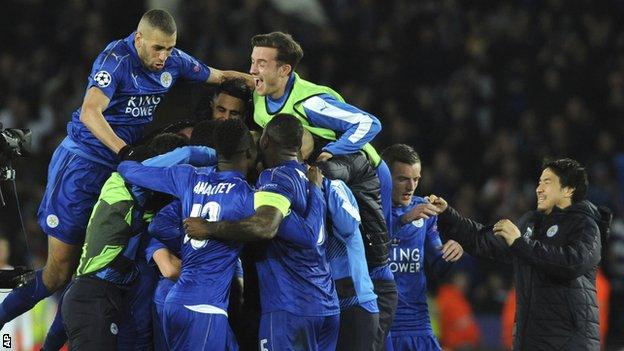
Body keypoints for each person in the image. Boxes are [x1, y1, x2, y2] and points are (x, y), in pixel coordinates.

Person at [0, 8, 251, 329]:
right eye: (158, 48)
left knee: (99, 269)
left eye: (170, 48)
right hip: (82, 166)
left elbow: (220, 76)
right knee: (58, 273)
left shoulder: (174, 62)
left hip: (121, 170)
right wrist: (125, 150)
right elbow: (91, 112)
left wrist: (260, 81)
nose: (164, 56)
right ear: (139, 39)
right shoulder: (116, 60)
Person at [249, 31, 396, 349]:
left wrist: (335, 150)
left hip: (362, 171)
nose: (253, 70)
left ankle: (379, 319)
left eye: (261, 63)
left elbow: (369, 124)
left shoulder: (310, 102)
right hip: (321, 171)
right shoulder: (261, 94)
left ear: (284, 70)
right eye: (252, 62)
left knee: (374, 261)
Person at [184, 114, 340, 351]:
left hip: (289, 308)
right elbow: (313, 234)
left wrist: (208, 228)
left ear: (265, 141)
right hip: (325, 304)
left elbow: (265, 227)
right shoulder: (312, 178)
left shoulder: (274, 177)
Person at [432, 158, 612, 350]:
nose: (539, 189)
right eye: (539, 182)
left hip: (570, 343)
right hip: (531, 342)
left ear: (568, 189)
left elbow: (572, 263)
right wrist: (447, 215)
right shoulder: (530, 224)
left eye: (547, 182)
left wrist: (520, 243)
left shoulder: (586, 225)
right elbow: (482, 240)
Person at [117, 118, 260, 350]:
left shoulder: (189, 177)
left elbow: (127, 169)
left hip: (176, 303)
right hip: (204, 308)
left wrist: (191, 153)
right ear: (248, 153)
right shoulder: (248, 196)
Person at [381, 144, 463, 351]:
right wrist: (403, 220)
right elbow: (370, 246)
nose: (411, 187)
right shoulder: (371, 206)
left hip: (417, 322)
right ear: (384, 176)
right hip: (381, 323)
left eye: (416, 179)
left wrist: (450, 253)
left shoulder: (424, 211)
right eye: (403, 179)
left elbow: (438, 266)